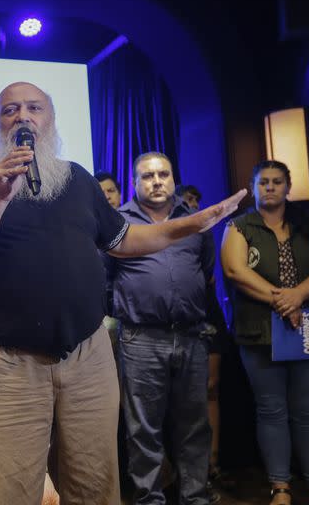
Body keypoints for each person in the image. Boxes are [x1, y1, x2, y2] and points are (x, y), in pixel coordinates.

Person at [0, 81, 245, 504]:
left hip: (87, 356)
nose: (23, 116)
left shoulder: (77, 178)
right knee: (5, 489)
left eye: (34, 108)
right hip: (6, 364)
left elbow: (124, 240)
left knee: (94, 486)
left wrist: (190, 224)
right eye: (10, 110)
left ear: (51, 119)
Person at [220, 160, 309, 505]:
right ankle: (280, 488)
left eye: (276, 182)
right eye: (263, 182)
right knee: (270, 410)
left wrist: (298, 295)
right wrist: (284, 300)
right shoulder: (239, 226)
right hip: (258, 330)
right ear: (254, 187)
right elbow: (235, 270)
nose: (269, 187)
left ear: (288, 186)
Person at [110, 152, 215, 505]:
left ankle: (195, 498)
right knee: (143, 430)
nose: (156, 181)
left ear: (174, 178)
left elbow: (206, 270)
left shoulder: (195, 221)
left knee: (194, 428)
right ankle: (149, 500)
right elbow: (104, 280)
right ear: (134, 182)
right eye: (147, 176)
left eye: (163, 174)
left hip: (191, 335)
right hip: (141, 338)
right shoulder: (118, 222)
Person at [177, 183, 235, 499]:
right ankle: (180, 474)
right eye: (185, 200)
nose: (191, 204)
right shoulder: (165, 230)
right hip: (173, 321)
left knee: (210, 389)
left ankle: (211, 466)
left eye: (196, 200)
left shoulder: (205, 232)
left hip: (207, 312)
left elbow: (209, 274)